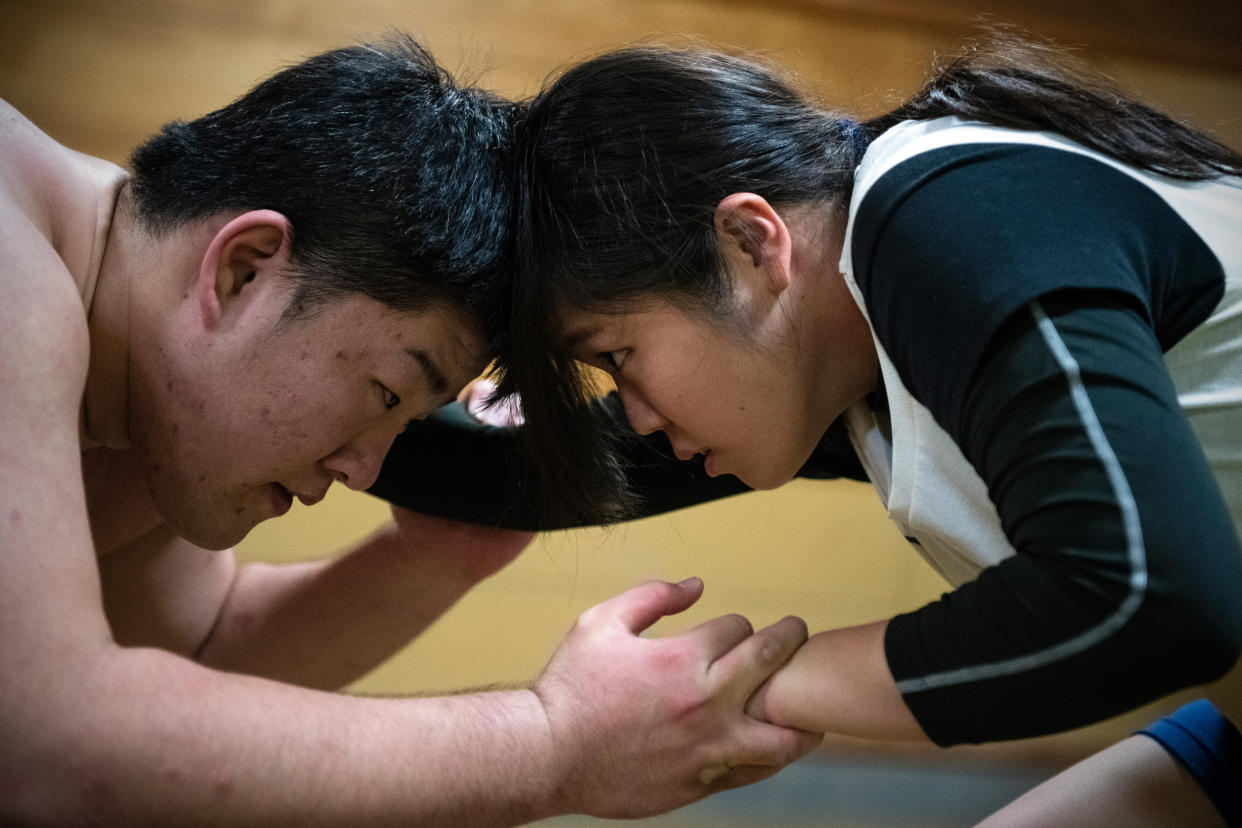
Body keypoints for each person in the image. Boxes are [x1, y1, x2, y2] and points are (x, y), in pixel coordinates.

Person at [372, 32, 1242, 824]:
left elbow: (1149, 593)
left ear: (752, 244)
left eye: (620, 355)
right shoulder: (846, 357)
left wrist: (755, 690)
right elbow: (523, 473)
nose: (634, 410)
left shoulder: (944, 217)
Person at [0, 34, 823, 825]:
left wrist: (435, 558)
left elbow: (193, 654)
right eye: (388, 391)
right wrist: (552, 744)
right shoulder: (15, 262)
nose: (364, 470)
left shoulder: (142, 402)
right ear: (244, 268)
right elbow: (47, 748)